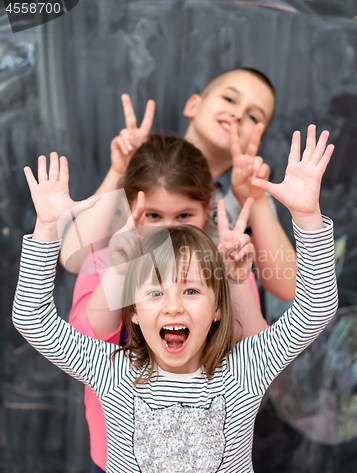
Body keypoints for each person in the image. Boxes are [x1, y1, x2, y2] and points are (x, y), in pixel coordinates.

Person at [13, 125, 338, 473]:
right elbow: (31, 318)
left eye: (191, 290)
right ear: (131, 312)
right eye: (154, 291)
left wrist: (308, 216)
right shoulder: (110, 370)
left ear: (219, 308)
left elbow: (316, 307)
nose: (173, 305)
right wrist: (46, 227)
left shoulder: (247, 366)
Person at [68, 134, 265, 473]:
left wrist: (236, 280)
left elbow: (257, 349)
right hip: (122, 459)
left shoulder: (224, 270)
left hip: (212, 467)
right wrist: (120, 271)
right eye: (153, 216)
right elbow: (86, 340)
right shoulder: (105, 264)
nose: (169, 228)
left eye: (184, 215)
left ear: (208, 208)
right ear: (129, 210)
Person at [61, 69, 298, 301]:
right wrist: (120, 171)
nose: (238, 113)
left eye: (254, 116)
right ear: (193, 105)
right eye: (229, 98)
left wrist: (255, 201)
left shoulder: (252, 197)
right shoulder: (148, 173)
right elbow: (73, 257)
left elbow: (287, 288)